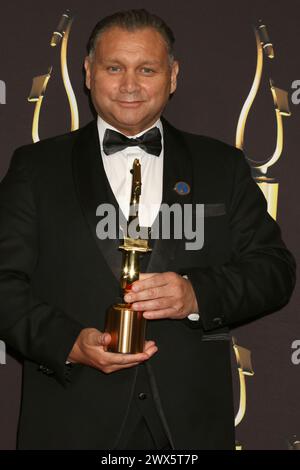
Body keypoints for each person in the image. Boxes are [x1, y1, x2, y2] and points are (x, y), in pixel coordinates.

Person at [0, 9, 296, 450]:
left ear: (173, 76)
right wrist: (69, 343)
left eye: (147, 69)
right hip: (68, 421)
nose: (130, 85)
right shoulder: (35, 168)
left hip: (191, 425)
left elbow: (274, 271)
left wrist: (197, 294)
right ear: (87, 72)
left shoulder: (223, 166)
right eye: (114, 67)